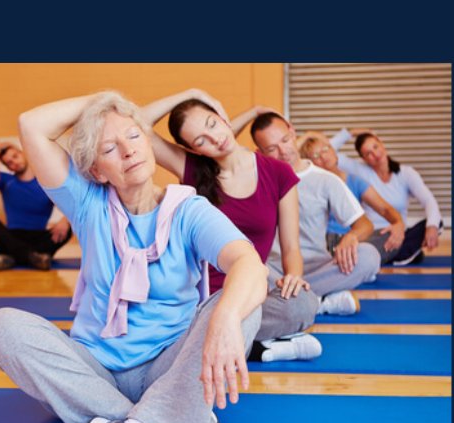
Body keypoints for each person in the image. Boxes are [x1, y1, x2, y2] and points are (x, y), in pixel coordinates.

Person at [0, 91, 267, 423]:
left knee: (242, 305)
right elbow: (32, 125)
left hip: (167, 367)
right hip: (95, 370)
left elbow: (248, 264)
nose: (129, 151)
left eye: (134, 137)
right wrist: (105, 99)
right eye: (110, 148)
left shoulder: (190, 210)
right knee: (2, 326)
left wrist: (222, 320)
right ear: (97, 170)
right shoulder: (86, 203)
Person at [140, 89, 328, 364]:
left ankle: (225, 343)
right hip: (195, 301)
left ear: (222, 116)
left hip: (245, 296)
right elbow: (137, 123)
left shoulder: (278, 173)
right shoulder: (191, 168)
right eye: (201, 140)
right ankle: (254, 347)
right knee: (166, 321)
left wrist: (294, 276)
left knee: (303, 303)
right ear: (194, 149)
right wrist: (191, 92)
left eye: (212, 124)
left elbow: (290, 248)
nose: (215, 139)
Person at [237, 111, 384, 360]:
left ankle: (308, 297)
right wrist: (252, 112)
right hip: (272, 272)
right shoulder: (254, 177)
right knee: (247, 266)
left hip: (315, 267)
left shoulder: (326, 180)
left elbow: (364, 224)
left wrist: (352, 237)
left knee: (369, 256)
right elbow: (218, 147)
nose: (283, 151)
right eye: (272, 148)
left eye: (285, 140)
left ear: (293, 132)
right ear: (259, 152)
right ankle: (320, 301)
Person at [319, 128, 443, 265]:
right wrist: (350, 132)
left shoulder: (406, 173)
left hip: (398, 231)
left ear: (382, 143)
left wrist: (432, 226)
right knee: (366, 247)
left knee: (436, 222)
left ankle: (393, 252)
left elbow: (429, 201)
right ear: (363, 159)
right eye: (368, 153)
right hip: (373, 234)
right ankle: (399, 253)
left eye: (375, 147)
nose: (375, 154)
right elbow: (329, 153)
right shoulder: (360, 171)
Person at [297, 132, 406, 258]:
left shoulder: (355, 181)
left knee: (388, 237)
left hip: (354, 238)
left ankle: (351, 263)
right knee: (366, 254)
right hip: (326, 242)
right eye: (316, 155)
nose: (323, 156)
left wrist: (398, 224)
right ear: (310, 163)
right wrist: (308, 135)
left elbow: (384, 209)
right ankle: (351, 263)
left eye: (325, 149)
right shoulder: (314, 185)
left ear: (333, 150)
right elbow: (292, 155)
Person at [0, 141, 72, 270]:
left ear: (23, 153)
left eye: (15, 156)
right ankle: (34, 258)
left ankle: (10, 257)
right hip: (12, 236)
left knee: (67, 228)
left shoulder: (45, 182)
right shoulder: (6, 181)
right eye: (9, 163)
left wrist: (65, 221)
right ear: (8, 168)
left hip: (38, 237)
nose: (14, 162)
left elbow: (71, 205)